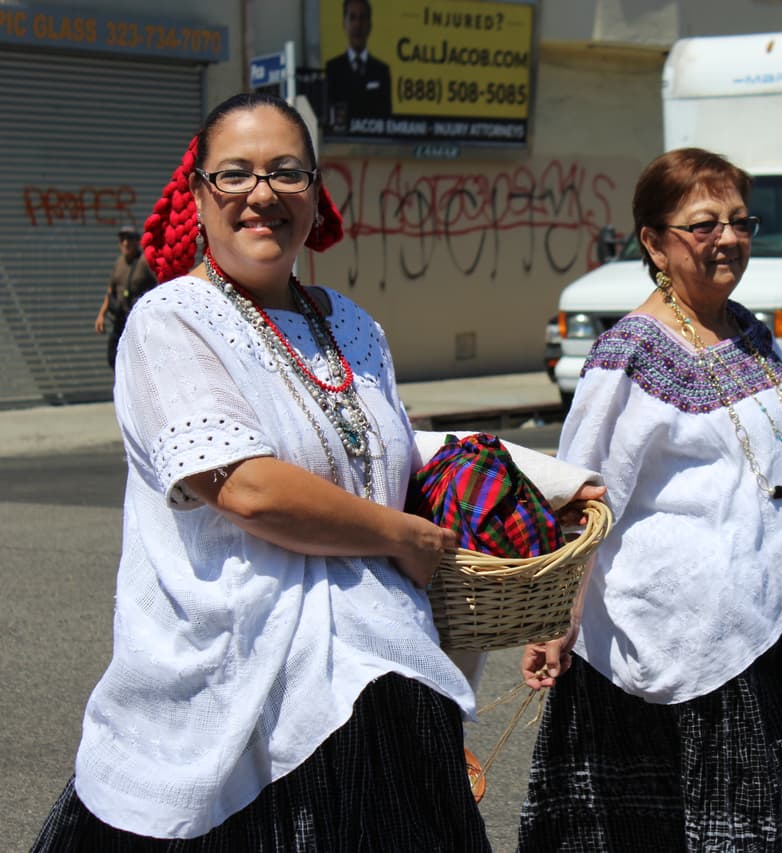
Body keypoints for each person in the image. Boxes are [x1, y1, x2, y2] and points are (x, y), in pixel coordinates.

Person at [33, 91, 552, 850]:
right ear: (198, 196)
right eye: (234, 174)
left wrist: (553, 480)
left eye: (285, 172)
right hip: (242, 683)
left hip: (377, 674)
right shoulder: (170, 319)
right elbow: (248, 488)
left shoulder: (353, 324)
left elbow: (388, 448)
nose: (262, 193)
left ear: (314, 193)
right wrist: (403, 535)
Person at [517, 147, 782, 851]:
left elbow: (764, 467)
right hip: (696, 635)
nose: (728, 239)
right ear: (654, 242)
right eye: (704, 225)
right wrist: (556, 618)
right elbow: (583, 493)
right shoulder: (628, 354)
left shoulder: (749, 330)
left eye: (740, 221)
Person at [93, 225, 157, 369]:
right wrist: (101, 315)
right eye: (122, 240)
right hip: (120, 320)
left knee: (137, 359)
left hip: (138, 321)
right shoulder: (119, 263)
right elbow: (111, 290)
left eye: (129, 239)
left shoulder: (144, 262)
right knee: (113, 356)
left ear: (137, 242)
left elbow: (160, 285)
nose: (125, 243)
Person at [324, 0, 392, 128]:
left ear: (370, 25)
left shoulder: (381, 70)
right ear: (344, 24)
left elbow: (386, 119)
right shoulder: (333, 68)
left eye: (363, 18)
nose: (358, 24)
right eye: (352, 18)